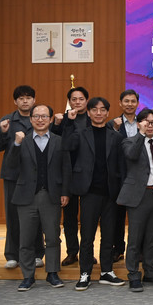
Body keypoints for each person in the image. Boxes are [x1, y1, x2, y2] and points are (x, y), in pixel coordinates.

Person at [63, 97, 126, 291]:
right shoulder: (80, 134)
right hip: (89, 192)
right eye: (95, 110)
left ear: (107, 113)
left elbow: (121, 165)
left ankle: (107, 271)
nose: (99, 113)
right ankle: (85, 272)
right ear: (89, 113)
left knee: (109, 235)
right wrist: (68, 122)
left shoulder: (116, 136)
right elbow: (66, 146)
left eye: (102, 110)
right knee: (87, 235)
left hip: (110, 193)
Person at [8, 105, 71, 291]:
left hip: (51, 195)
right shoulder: (22, 140)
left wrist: (65, 192)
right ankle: (28, 276)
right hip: (26, 197)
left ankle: (52, 273)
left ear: (51, 119)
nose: (40, 119)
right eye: (36, 116)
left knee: (52, 237)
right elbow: (11, 166)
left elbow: (66, 169)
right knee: (26, 239)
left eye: (44, 116)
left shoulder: (60, 141)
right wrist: (16, 144)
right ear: (31, 119)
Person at [116, 108, 153, 293]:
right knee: (135, 238)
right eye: (146, 122)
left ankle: (150, 272)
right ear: (139, 123)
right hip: (138, 196)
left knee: (152, 238)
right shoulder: (129, 141)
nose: (150, 125)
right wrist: (141, 134)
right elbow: (131, 155)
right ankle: (133, 275)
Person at [0, 85, 44, 270]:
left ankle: (37, 254)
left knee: (36, 215)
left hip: (36, 174)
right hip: (13, 175)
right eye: (21, 98)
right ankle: (12, 255)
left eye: (28, 97)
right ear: (15, 101)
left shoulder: (40, 118)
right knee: (12, 215)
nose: (25, 101)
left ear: (34, 100)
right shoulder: (7, 121)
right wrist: (3, 132)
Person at [52, 86, 90, 267]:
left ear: (86, 101)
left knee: (89, 219)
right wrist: (57, 124)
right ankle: (72, 252)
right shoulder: (63, 119)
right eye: (74, 99)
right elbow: (53, 141)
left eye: (81, 99)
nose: (77, 102)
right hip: (67, 175)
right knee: (69, 218)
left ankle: (87, 253)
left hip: (88, 175)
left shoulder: (93, 118)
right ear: (69, 102)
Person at [107, 89, 140, 264]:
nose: (129, 104)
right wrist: (115, 130)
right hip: (119, 176)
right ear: (120, 103)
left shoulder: (144, 122)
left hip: (140, 175)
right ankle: (118, 248)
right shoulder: (112, 124)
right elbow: (110, 148)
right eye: (126, 101)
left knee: (139, 217)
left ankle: (138, 250)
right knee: (117, 216)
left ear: (137, 103)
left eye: (133, 101)